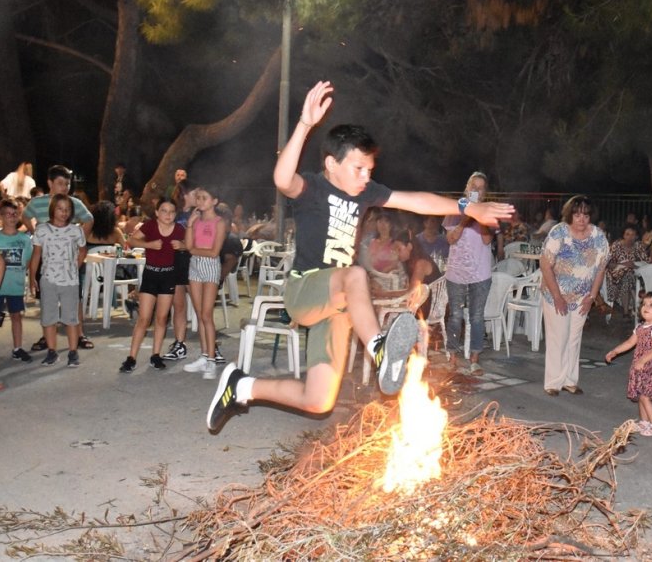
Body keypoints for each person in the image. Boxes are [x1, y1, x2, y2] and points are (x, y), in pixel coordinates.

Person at [205, 80, 513, 432]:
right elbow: (282, 178)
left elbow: (417, 200)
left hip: (335, 306)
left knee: (319, 400)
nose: (366, 177)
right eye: (358, 169)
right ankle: (380, 351)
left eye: (370, 170)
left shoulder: (366, 194)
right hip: (305, 291)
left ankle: (240, 386)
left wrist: (469, 208)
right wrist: (305, 125)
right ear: (331, 164)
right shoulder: (312, 189)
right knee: (353, 274)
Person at [541, 195, 608, 397]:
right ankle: (553, 382)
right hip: (556, 293)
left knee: (574, 337)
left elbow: (601, 269)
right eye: (577, 214)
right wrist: (557, 296)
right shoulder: (559, 232)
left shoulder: (598, 236)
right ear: (570, 214)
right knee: (558, 336)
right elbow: (545, 264)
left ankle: (569, 380)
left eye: (586, 215)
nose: (581, 219)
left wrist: (592, 297)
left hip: (582, 295)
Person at [23, 165, 95, 353]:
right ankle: (48, 337)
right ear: (50, 183)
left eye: (67, 184)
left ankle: (79, 334)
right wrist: (34, 232)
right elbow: (25, 216)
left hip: (68, 258)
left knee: (75, 297)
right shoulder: (38, 202)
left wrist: (79, 240)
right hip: (46, 257)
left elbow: (89, 219)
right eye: (61, 183)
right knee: (47, 298)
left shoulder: (73, 203)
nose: (65, 187)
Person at [120, 198, 186, 372]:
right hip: (150, 274)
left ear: (176, 214)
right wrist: (148, 244)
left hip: (168, 276)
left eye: (172, 212)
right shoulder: (150, 226)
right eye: (164, 211)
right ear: (157, 212)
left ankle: (155, 355)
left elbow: (191, 245)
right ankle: (131, 357)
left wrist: (183, 245)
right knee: (144, 318)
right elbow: (132, 241)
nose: (168, 215)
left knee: (162, 318)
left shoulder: (179, 229)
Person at [444, 171, 495, 374]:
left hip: (480, 273)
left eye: (481, 188)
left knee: (476, 316)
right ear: (467, 188)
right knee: (455, 316)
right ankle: (453, 358)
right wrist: (466, 217)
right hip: (456, 272)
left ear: (485, 193)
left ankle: (474, 359)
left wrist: (479, 214)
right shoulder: (454, 210)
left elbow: (486, 240)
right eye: (474, 186)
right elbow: (451, 239)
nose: (476, 191)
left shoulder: (488, 213)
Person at [28, 194, 87, 367]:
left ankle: (73, 352)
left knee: (71, 318)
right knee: (49, 318)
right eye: (60, 208)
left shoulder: (76, 231)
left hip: (69, 281)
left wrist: (75, 265)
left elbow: (82, 250)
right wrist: (32, 277)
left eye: (67, 209)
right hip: (48, 279)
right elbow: (36, 254)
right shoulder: (42, 230)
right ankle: (52, 351)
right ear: (53, 209)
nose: (63, 212)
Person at [605, 291, 652, 437]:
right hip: (641, 366)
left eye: (651, 305)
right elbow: (630, 342)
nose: (646, 307)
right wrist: (615, 351)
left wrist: (642, 360)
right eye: (644, 304)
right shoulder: (640, 327)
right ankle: (644, 422)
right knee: (641, 395)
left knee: (646, 396)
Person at [182, 186, 227, 379]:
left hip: (210, 266)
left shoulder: (220, 222)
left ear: (214, 201)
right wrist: (190, 225)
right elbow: (188, 245)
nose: (200, 201)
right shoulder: (196, 221)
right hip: (195, 266)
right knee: (199, 313)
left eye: (204, 198)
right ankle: (203, 356)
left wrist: (193, 250)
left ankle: (211, 360)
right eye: (198, 198)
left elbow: (214, 252)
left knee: (207, 314)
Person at [161, 179, 199, 363]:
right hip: (176, 263)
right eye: (195, 194)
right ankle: (179, 344)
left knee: (202, 309)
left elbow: (202, 241)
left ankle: (210, 346)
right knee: (179, 306)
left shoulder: (198, 214)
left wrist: (185, 245)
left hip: (193, 263)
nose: (198, 197)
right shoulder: (173, 214)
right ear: (186, 195)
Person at [373, 229, 441, 319]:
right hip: (422, 303)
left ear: (409, 246)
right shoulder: (413, 261)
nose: (396, 253)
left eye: (398, 249)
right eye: (394, 250)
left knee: (382, 308)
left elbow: (409, 293)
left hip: (427, 308)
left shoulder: (421, 263)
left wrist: (383, 294)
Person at [0, 198, 33, 362]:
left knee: (16, 316)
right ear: (1, 216)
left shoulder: (25, 240)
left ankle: (18, 348)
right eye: (7, 214)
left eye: (15, 214)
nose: (11, 217)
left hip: (15, 285)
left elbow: (27, 262)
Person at [605, 224, 648, 318]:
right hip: (615, 276)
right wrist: (623, 265)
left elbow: (645, 264)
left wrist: (633, 265)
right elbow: (608, 264)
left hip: (635, 275)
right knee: (627, 276)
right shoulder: (616, 245)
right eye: (627, 234)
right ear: (623, 235)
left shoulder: (639, 246)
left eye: (633, 235)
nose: (630, 237)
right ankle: (634, 308)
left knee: (628, 276)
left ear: (636, 236)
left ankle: (626, 312)